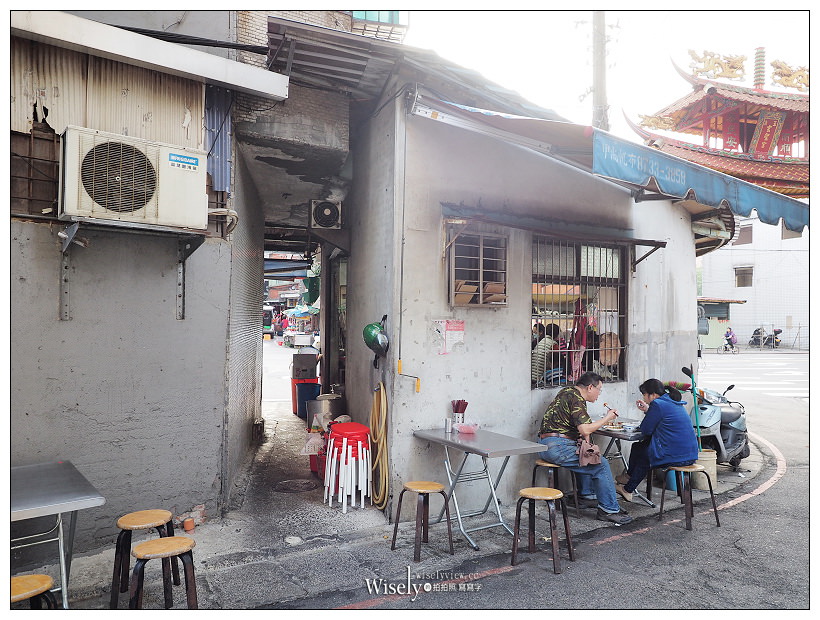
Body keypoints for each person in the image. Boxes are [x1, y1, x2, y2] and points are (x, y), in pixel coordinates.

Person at [536, 371, 633, 525]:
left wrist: (587, 445)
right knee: (601, 464)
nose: (599, 394)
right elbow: (585, 429)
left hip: (547, 443)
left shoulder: (567, 392)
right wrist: (607, 418)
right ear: (590, 387)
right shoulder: (576, 398)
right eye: (599, 389)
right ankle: (608, 510)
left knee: (587, 453)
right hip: (557, 446)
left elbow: (583, 432)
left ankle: (587, 496)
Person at [614, 379, 699, 502]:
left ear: (653, 394)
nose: (644, 398)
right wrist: (648, 410)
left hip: (677, 456)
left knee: (646, 455)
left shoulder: (657, 404)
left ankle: (628, 489)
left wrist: (649, 412)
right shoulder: (672, 401)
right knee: (638, 447)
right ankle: (628, 477)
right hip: (690, 454)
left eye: (644, 394)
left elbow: (646, 430)